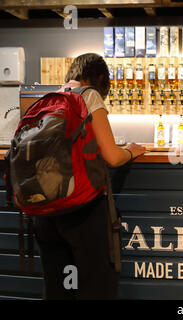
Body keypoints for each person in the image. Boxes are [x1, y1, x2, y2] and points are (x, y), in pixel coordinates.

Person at [33, 53, 146, 299]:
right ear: (101, 78)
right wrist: (131, 151)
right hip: (81, 209)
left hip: (46, 210)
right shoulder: (89, 95)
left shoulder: (50, 97)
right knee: (97, 289)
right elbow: (113, 157)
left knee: (58, 290)